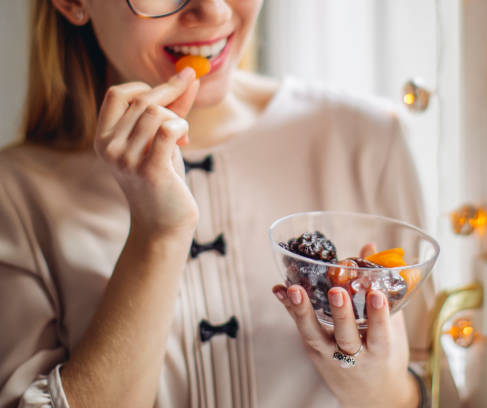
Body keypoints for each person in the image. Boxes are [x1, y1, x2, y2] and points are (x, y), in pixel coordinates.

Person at [0, 0, 437, 407]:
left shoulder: (367, 138)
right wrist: (158, 236)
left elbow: (436, 383)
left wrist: (375, 386)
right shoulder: (15, 194)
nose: (212, 10)